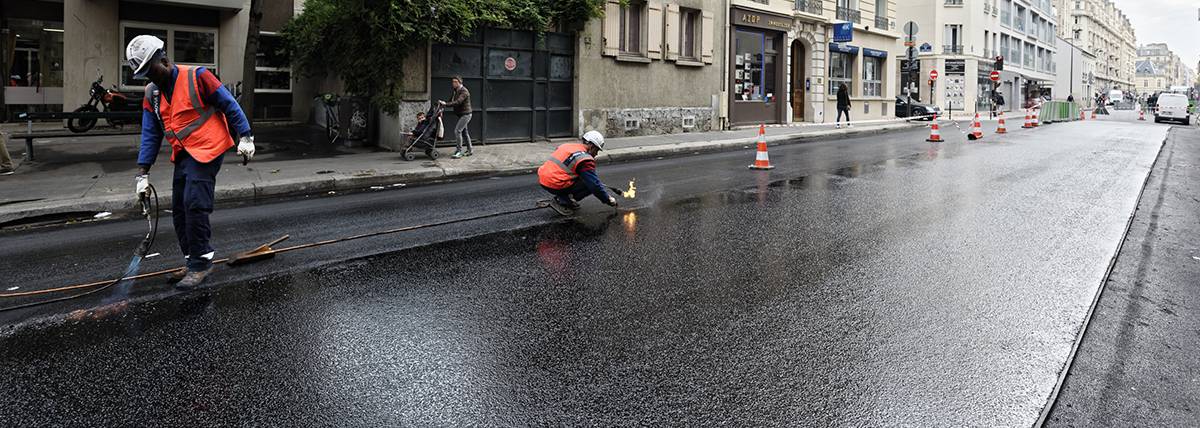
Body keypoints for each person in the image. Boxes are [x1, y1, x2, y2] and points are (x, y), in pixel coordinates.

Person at [127, 35, 254, 290]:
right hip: (185, 153)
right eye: (144, 74)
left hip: (209, 147)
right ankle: (191, 259)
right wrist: (142, 174)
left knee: (194, 203)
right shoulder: (152, 93)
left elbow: (229, 104)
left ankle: (201, 263)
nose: (149, 78)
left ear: (163, 59)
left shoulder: (198, 76)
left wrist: (246, 136)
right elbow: (150, 133)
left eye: (150, 70)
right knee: (179, 209)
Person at [537, 130, 617, 214]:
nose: (596, 154)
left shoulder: (567, 146)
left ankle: (562, 196)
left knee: (584, 177)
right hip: (554, 184)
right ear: (591, 146)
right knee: (589, 184)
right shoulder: (585, 160)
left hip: (543, 179)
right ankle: (563, 201)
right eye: (596, 150)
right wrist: (607, 199)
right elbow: (594, 185)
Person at [438, 76, 473, 159]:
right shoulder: (455, 90)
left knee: (457, 131)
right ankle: (470, 150)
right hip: (461, 114)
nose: (453, 83)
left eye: (455, 82)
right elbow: (451, 100)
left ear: (459, 82)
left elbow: (458, 102)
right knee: (464, 132)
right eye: (452, 82)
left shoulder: (464, 91)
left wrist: (445, 104)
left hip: (466, 114)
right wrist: (443, 105)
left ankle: (459, 151)